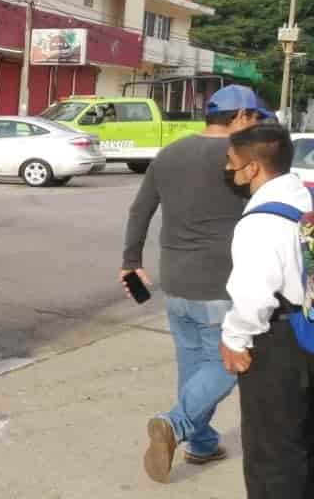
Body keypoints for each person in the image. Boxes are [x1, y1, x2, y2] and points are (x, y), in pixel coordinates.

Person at [122, 84, 267, 483]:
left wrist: (130, 262)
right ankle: (174, 423)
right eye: (254, 118)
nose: (256, 127)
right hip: (222, 284)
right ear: (238, 117)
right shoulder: (241, 158)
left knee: (194, 366)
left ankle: (201, 444)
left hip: (176, 282)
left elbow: (140, 210)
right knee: (232, 361)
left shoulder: (169, 154)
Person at [218, 124, 314, 499]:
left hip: (279, 345)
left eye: (231, 162)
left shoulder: (259, 221)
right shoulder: (304, 199)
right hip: (309, 328)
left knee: (273, 455)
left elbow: (253, 297)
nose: (229, 170)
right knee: (306, 444)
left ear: (253, 168)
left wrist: (234, 339)